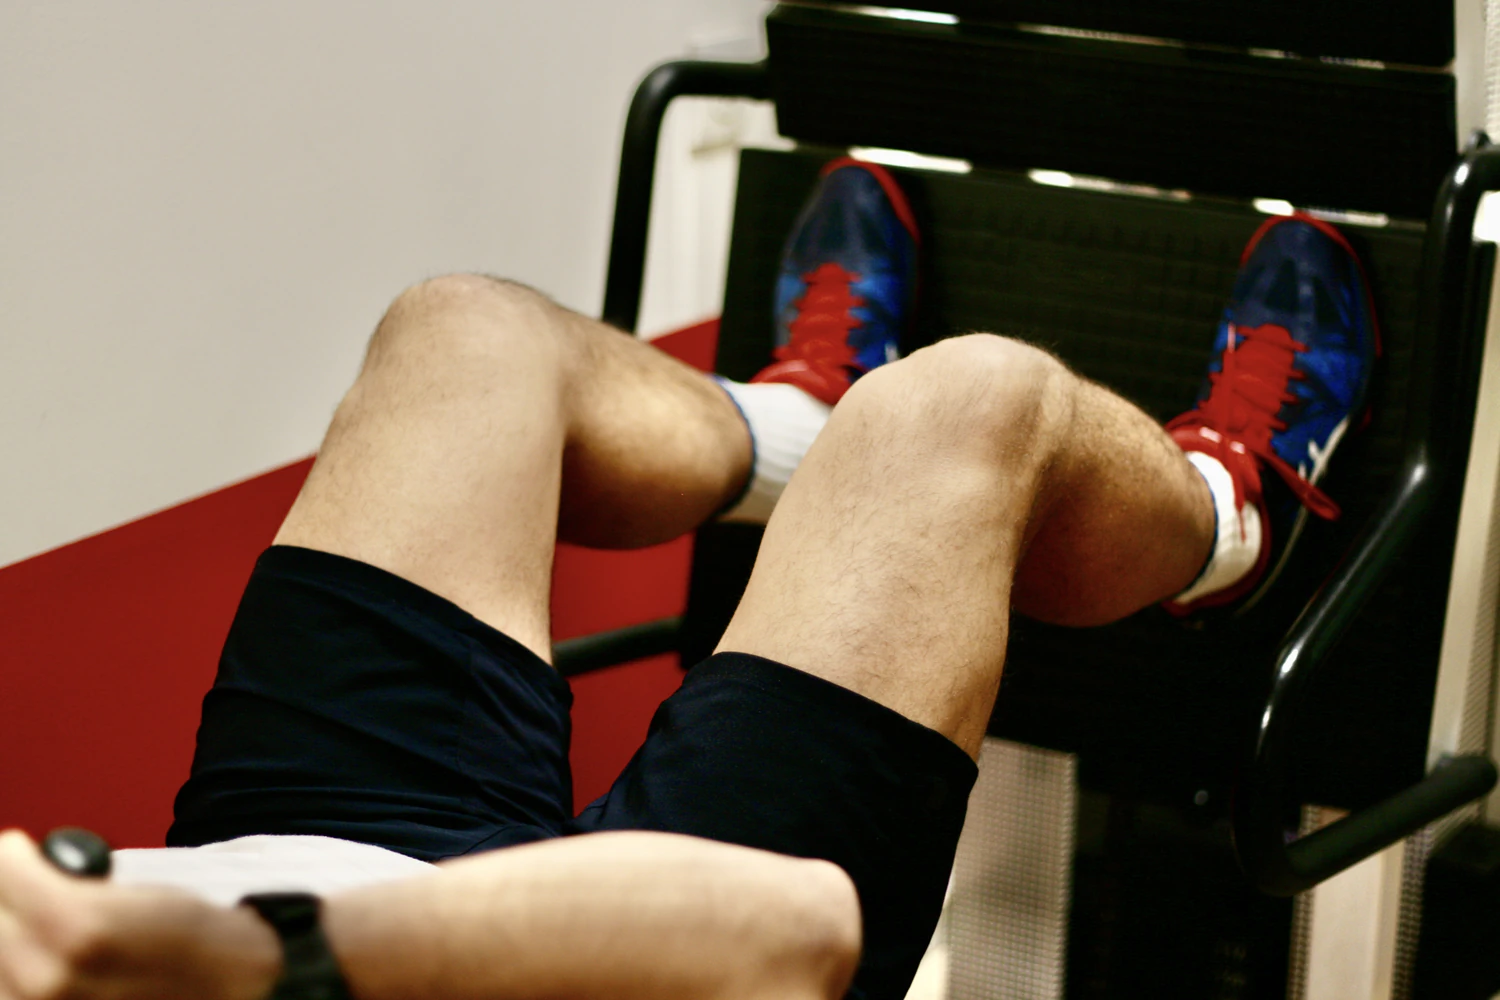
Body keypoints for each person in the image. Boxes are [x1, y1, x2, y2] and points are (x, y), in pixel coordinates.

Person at [0, 157, 1378, 1000]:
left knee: (461, 332)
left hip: (291, 849)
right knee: (967, 409)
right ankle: (1228, 524)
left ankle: (797, 426)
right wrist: (270, 972)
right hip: (620, 980)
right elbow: (792, 932)